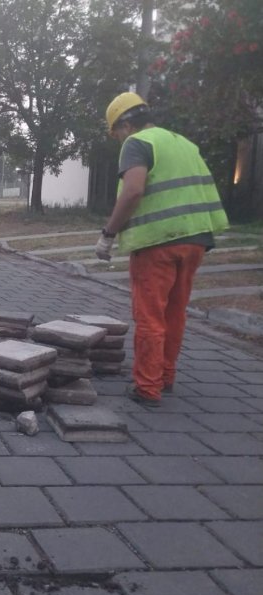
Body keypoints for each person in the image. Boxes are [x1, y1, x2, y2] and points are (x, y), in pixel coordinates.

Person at [95, 92, 229, 407]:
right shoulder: (183, 143)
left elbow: (133, 191)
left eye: (116, 132)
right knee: (175, 313)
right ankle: (165, 376)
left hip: (157, 243)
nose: (118, 139)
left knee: (150, 316)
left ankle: (147, 388)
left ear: (125, 124)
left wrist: (108, 234)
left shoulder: (138, 143)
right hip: (195, 239)